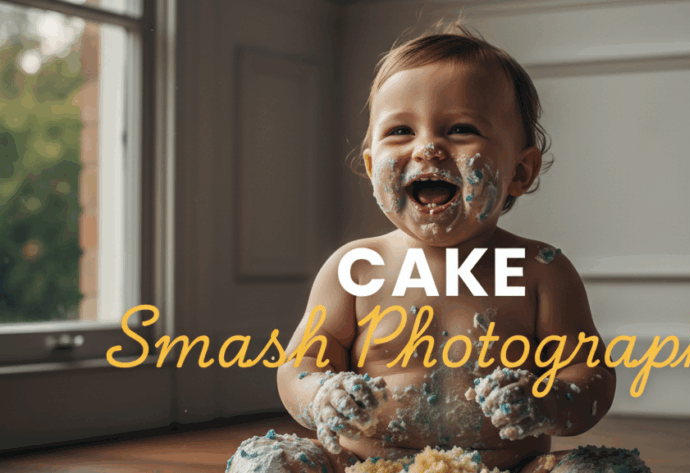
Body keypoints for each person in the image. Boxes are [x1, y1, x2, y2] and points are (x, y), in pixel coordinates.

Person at [228, 23, 645, 473]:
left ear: (520, 172)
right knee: (265, 464)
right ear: (371, 169)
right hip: (361, 464)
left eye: (461, 129)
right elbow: (300, 364)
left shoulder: (541, 271)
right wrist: (321, 396)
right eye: (401, 131)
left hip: (506, 466)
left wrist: (546, 402)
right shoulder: (357, 267)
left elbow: (591, 375)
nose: (428, 147)